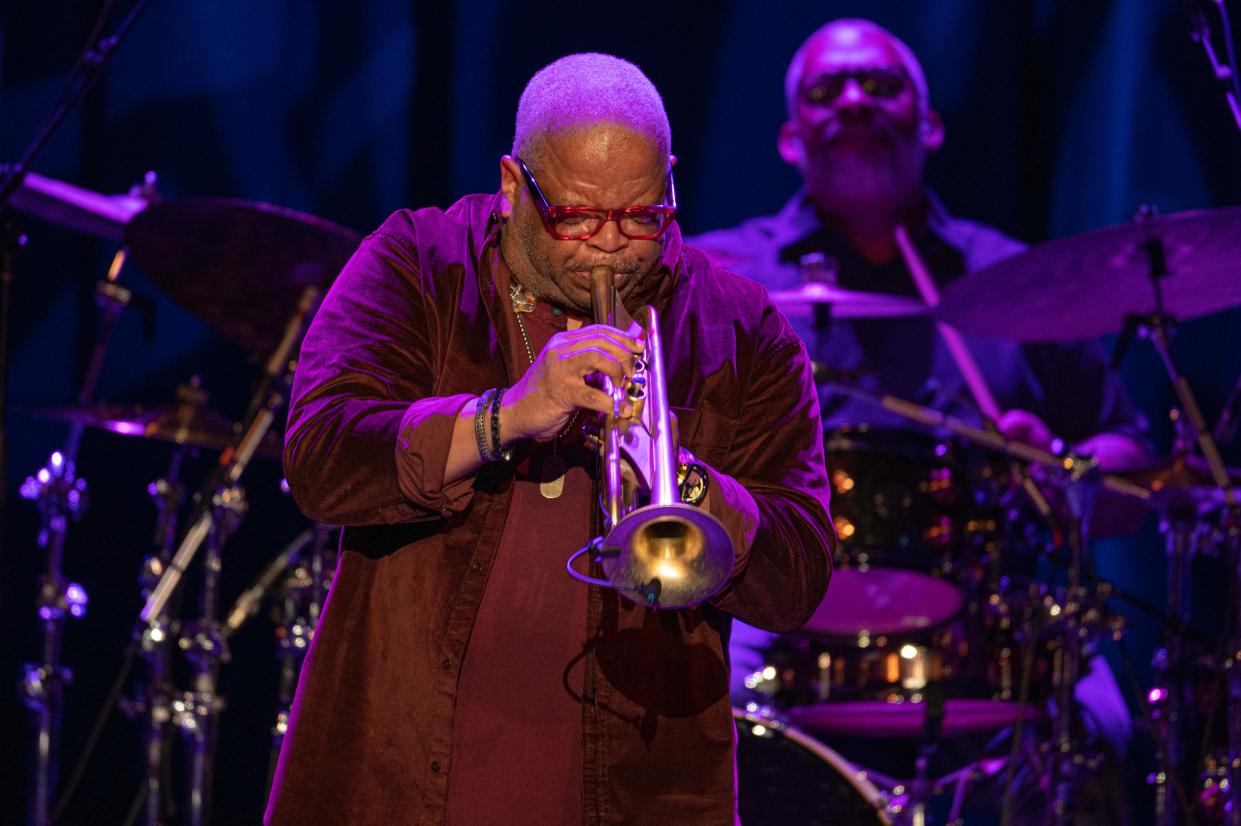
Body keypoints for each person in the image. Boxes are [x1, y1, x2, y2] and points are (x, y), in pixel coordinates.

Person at [264, 53, 833, 825]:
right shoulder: (418, 264)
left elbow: (797, 577)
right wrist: (506, 414)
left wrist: (677, 474)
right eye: (575, 217)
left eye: (641, 217)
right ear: (512, 187)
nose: (609, 247)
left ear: (669, 183)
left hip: (640, 791)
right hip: (403, 780)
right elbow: (323, 461)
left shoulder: (740, 326)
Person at [690, 18, 1149, 825]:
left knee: (1103, 727)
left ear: (930, 125)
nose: (855, 101)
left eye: (881, 84)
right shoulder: (720, 276)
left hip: (984, 621)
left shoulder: (1016, 277)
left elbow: (1134, 456)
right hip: (779, 613)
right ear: (790, 139)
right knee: (698, 711)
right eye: (826, 91)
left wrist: (1063, 468)